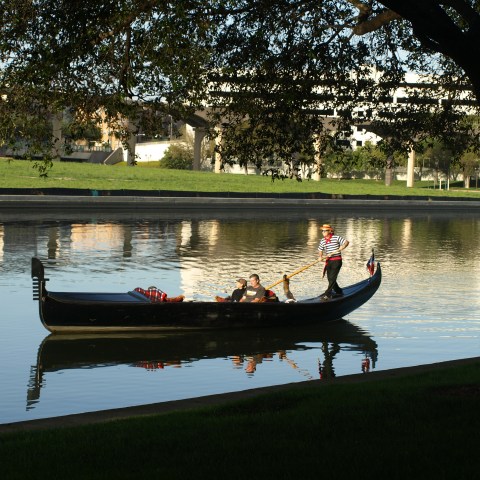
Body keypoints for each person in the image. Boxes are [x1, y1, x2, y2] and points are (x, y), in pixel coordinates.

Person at [317, 224, 349, 300]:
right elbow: (320, 250)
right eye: (322, 231)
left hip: (337, 260)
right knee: (330, 278)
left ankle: (327, 294)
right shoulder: (322, 240)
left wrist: (343, 246)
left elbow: (346, 242)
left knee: (332, 277)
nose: (323, 232)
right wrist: (320, 257)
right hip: (329, 261)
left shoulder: (336, 237)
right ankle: (339, 291)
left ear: (329, 231)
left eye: (325, 231)